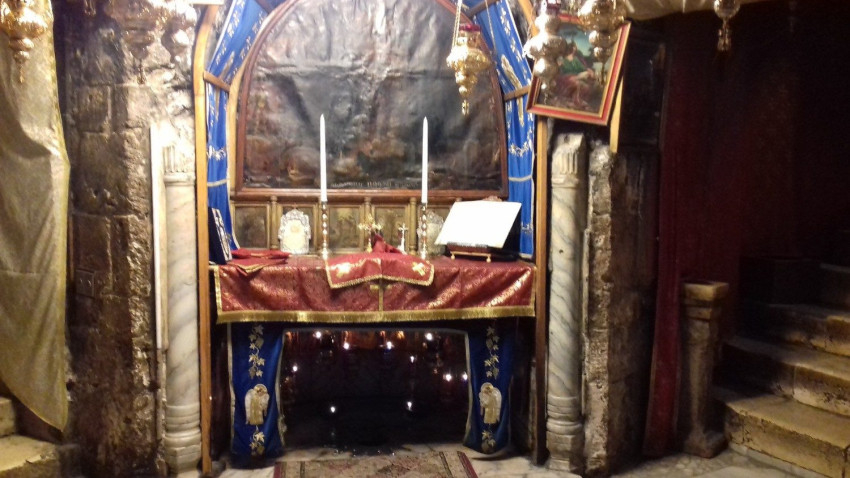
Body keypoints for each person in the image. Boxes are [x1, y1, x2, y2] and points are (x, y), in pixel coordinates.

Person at [556, 41, 597, 110]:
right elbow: (560, 71)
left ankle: (580, 101)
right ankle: (577, 101)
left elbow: (583, 68)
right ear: (572, 48)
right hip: (566, 78)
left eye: (575, 47)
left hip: (577, 76)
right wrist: (559, 65)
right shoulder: (563, 60)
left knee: (586, 86)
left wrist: (590, 71)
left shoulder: (576, 59)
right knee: (577, 83)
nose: (575, 49)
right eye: (574, 47)